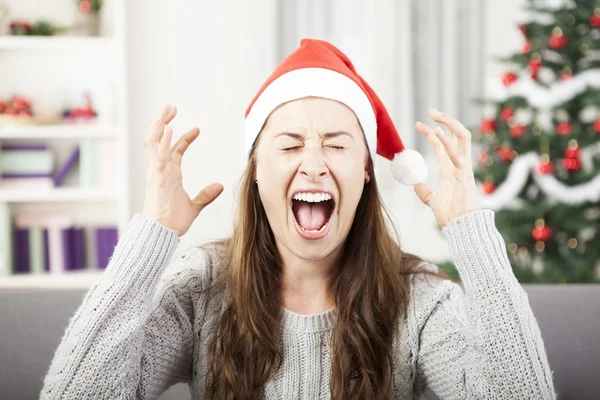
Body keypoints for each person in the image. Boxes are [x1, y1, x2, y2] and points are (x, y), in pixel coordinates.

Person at [41, 39, 555, 399]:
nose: (313, 163)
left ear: (366, 173)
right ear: (258, 171)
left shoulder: (420, 300)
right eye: (289, 144)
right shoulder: (200, 289)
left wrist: (470, 232)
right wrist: (153, 235)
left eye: (335, 144)